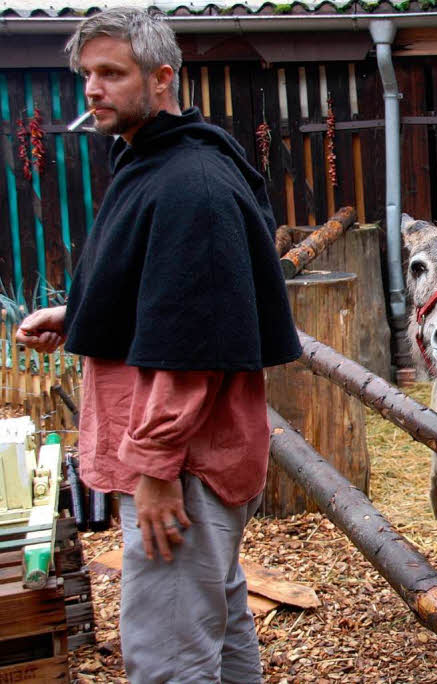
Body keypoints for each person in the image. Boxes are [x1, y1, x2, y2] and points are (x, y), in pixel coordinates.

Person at [16, 8, 300, 682]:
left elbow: (194, 343)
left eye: (111, 73)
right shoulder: (160, 159)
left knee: (168, 659)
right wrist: (82, 314)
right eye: (87, 74)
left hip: (185, 467)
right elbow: (166, 291)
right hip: (184, 462)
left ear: (162, 76)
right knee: (218, 631)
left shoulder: (189, 185)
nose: (92, 89)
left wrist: (156, 468)